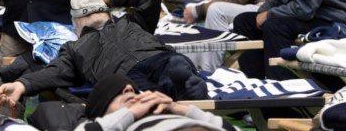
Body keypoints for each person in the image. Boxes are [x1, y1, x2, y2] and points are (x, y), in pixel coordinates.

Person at [0, 0, 208, 109]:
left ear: (77, 21)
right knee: (157, 84)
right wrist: (22, 84)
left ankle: (182, 94)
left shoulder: (131, 22)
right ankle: (178, 96)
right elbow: (54, 72)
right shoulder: (74, 48)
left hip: (148, 66)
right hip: (133, 75)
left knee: (173, 72)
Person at [73, 75, 237, 131]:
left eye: (134, 92)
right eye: (116, 92)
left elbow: (230, 129)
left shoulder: (172, 114)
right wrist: (130, 114)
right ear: (102, 113)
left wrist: (178, 108)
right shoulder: (108, 125)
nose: (129, 89)